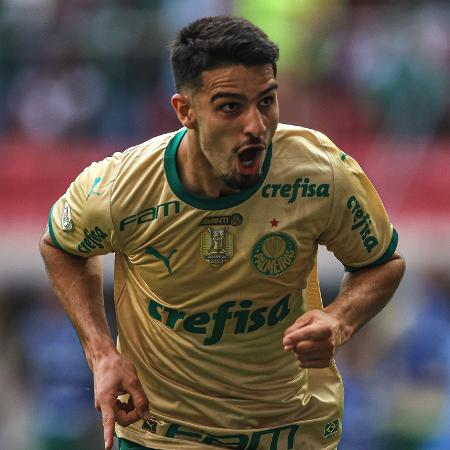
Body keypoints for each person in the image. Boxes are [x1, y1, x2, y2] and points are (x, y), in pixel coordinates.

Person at [39, 15, 405, 450]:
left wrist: (340, 319)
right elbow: (60, 247)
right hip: (160, 433)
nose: (256, 125)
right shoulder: (120, 188)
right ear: (185, 111)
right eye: (231, 106)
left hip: (289, 430)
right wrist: (100, 352)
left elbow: (382, 264)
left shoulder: (319, 172)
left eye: (266, 102)